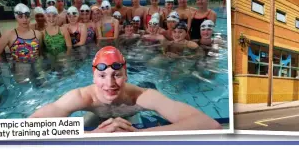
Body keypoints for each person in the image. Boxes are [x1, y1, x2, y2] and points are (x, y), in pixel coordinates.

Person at [28, 46, 221, 132]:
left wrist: (139, 134)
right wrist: (92, 136)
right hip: (96, 116)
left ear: (126, 75)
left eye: (117, 75)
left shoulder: (141, 97)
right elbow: (30, 126)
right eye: (102, 76)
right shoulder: (82, 97)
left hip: (129, 118)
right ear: (93, 76)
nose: (109, 83)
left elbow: (210, 125)